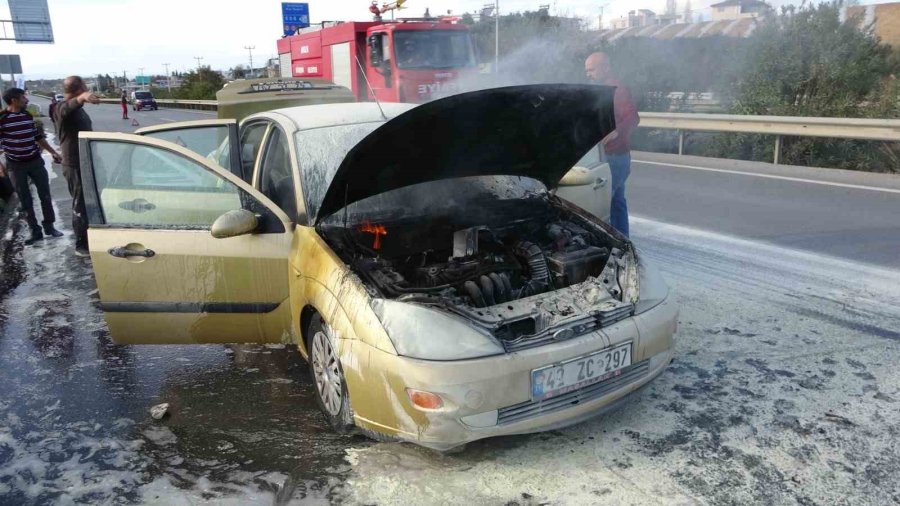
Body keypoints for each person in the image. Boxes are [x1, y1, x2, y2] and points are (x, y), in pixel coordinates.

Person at [585, 51, 640, 237]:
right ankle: (622, 241)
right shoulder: (601, 90)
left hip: (615, 157)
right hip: (607, 156)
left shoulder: (618, 90)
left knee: (602, 201)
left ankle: (606, 245)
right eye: (587, 70)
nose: (588, 74)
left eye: (592, 69)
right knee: (616, 201)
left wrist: (617, 131)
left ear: (605, 68)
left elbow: (633, 117)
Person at [0, 88, 64, 245]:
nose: (26, 100)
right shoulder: (2, 119)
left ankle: (49, 226)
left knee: (45, 195)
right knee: (25, 200)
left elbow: (37, 137)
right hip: (15, 166)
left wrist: (53, 152)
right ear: (14, 100)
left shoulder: (27, 115)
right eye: (23, 97)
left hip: (35, 161)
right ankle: (35, 231)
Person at [56, 75, 99, 257]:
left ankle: (93, 238)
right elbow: (66, 109)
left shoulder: (78, 109)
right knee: (80, 203)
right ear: (78, 88)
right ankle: (81, 245)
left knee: (92, 201)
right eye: (84, 87)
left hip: (86, 161)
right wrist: (81, 98)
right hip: (74, 164)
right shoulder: (60, 108)